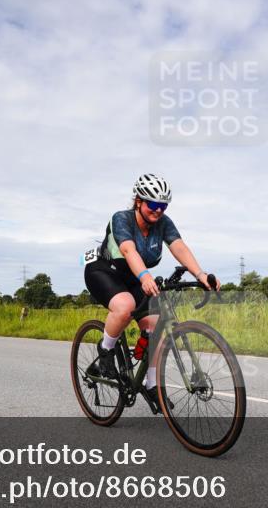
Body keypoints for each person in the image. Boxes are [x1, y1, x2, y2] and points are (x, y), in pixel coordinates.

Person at [83, 174, 219, 412]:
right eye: (153, 204)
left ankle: (151, 384)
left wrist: (200, 274)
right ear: (138, 201)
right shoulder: (121, 218)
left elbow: (179, 246)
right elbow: (128, 250)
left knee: (156, 324)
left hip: (133, 276)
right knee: (125, 306)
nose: (158, 210)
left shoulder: (163, 223)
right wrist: (145, 277)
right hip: (104, 270)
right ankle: (105, 350)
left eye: (163, 206)